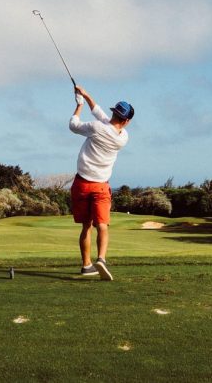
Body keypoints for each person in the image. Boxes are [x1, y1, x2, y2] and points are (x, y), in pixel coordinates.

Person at [69, 85, 134, 281]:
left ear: (115, 113)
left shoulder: (97, 128)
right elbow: (101, 116)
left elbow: (73, 125)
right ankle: (102, 259)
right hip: (101, 186)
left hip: (81, 184)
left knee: (86, 226)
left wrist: (79, 105)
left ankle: (86, 265)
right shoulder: (123, 138)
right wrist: (87, 95)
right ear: (126, 121)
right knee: (103, 225)